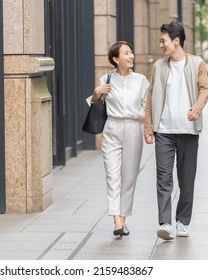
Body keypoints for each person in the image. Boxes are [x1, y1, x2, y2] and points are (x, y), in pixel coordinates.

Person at [143, 20, 208, 240]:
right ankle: (165, 223)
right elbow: (151, 96)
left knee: (186, 179)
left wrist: (197, 107)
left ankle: (183, 221)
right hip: (164, 131)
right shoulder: (159, 66)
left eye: (163, 41)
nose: (161, 45)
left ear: (176, 41)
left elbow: (204, 89)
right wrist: (148, 126)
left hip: (188, 131)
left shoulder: (197, 63)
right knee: (163, 177)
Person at [88, 41, 149, 237]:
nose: (131, 56)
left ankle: (123, 216)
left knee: (129, 176)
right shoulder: (105, 79)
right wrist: (97, 93)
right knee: (112, 175)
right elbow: (94, 102)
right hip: (112, 127)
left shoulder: (141, 80)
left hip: (133, 127)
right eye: (126, 53)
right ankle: (116, 219)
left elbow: (147, 105)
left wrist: (149, 128)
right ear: (116, 59)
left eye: (131, 52)